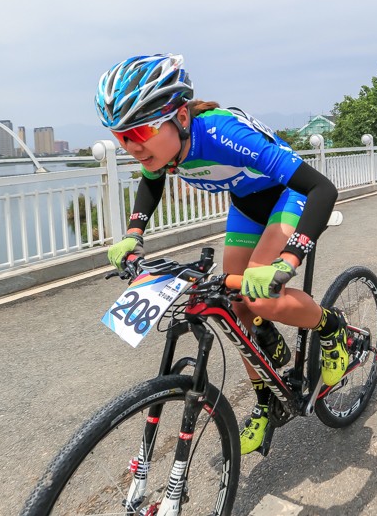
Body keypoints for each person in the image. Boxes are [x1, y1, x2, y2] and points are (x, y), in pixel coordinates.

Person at [98, 54, 348, 455]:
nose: (131, 147)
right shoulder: (163, 148)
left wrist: (288, 261)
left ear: (181, 117)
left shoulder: (221, 132)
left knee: (261, 293)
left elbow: (322, 189)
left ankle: (333, 329)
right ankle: (266, 400)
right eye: (120, 136)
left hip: (289, 195)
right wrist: (133, 235)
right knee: (233, 304)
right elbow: (151, 181)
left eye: (140, 130)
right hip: (248, 205)